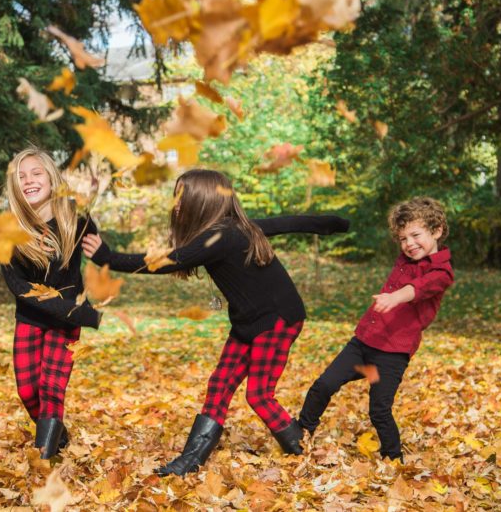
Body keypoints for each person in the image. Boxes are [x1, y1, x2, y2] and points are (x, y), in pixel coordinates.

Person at [81, 169, 349, 475]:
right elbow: (289, 223)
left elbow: (169, 261)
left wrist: (108, 257)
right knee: (219, 385)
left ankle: (300, 449)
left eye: (181, 197)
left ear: (202, 202)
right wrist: (331, 223)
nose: (175, 204)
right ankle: (190, 460)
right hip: (248, 322)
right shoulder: (231, 230)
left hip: (278, 319)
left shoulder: (222, 235)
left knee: (259, 395)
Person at [298, 196, 453, 462]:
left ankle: (393, 459)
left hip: (391, 354)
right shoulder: (405, 259)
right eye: (403, 239)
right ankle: (301, 434)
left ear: (437, 231)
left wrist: (395, 297)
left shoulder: (442, 271)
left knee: (379, 410)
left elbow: (419, 288)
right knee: (323, 385)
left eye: (415, 235)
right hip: (364, 343)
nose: (409, 244)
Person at [0, 147, 102, 459]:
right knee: (27, 391)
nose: (29, 180)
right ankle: (58, 434)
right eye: (21, 176)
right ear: (15, 186)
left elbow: (98, 247)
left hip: (65, 325)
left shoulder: (75, 220)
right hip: (31, 318)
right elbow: (19, 287)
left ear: (51, 178)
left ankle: (43, 462)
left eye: (36, 173)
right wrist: (81, 313)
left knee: (51, 389)